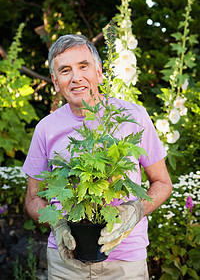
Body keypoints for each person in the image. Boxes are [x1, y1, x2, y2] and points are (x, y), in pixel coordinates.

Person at [22, 34, 172, 280]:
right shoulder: (45, 128)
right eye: (65, 70)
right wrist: (57, 224)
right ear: (55, 81)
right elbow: (32, 198)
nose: (76, 77)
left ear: (100, 72)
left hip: (126, 263)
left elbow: (163, 183)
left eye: (83, 66)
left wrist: (136, 210)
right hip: (65, 263)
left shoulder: (133, 116)